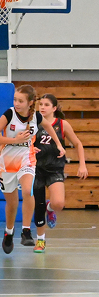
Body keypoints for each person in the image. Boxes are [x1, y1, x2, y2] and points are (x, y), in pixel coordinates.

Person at [0, 85, 65, 254]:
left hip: (27, 159)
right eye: (15, 100)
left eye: (20, 101)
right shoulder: (9, 114)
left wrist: (59, 144)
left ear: (30, 102)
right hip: (8, 162)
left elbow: (49, 127)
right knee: (11, 203)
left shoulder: (36, 117)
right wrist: (15, 140)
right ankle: (9, 232)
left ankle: (26, 231)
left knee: (27, 190)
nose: (16, 103)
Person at [32, 94, 87, 252]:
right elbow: (25, 142)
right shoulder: (34, 123)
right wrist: (30, 147)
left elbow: (78, 143)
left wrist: (82, 165)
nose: (42, 107)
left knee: (58, 203)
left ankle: (50, 208)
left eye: (46, 105)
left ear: (54, 108)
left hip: (55, 169)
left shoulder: (62, 124)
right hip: (36, 169)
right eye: (40, 104)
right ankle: (40, 240)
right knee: (38, 205)